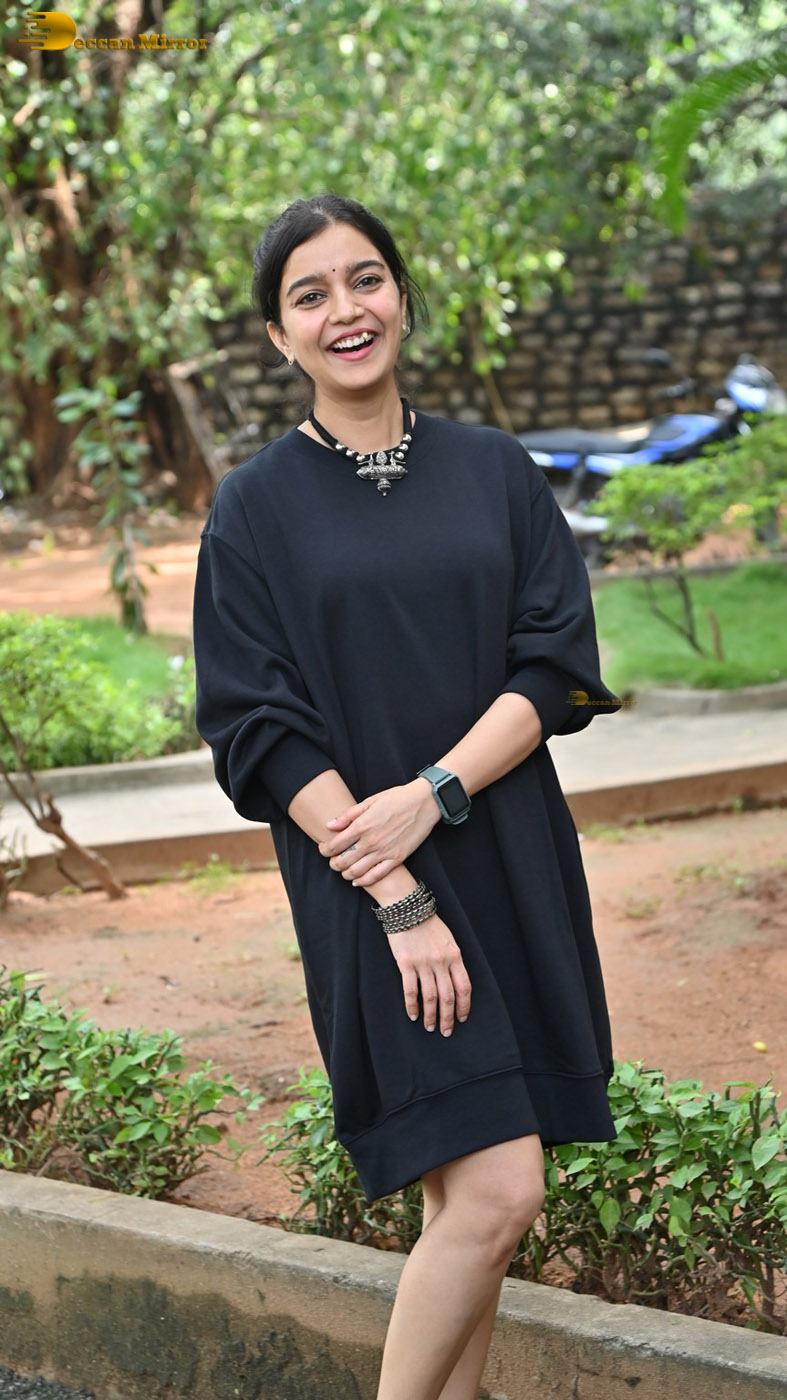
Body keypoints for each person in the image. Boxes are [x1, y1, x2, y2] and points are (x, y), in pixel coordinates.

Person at [192, 193, 622, 1400]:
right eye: (310, 293)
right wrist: (395, 890)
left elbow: (555, 665)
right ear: (278, 334)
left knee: (465, 1194)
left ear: (401, 295)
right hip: (363, 882)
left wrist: (434, 791)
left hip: (508, 855)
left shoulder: (494, 469)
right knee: (498, 1190)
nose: (346, 309)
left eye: (365, 278)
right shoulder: (253, 508)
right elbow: (256, 725)